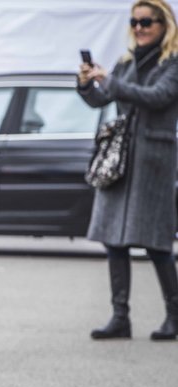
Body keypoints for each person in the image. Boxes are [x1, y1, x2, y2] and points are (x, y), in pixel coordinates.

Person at [78, 0, 178, 341]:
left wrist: (112, 82)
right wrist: (87, 84)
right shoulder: (125, 62)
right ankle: (120, 317)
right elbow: (101, 99)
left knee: (157, 243)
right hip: (120, 160)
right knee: (114, 240)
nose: (139, 27)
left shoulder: (172, 63)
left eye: (147, 21)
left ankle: (175, 316)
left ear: (164, 25)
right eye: (135, 22)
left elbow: (156, 96)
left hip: (153, 161)